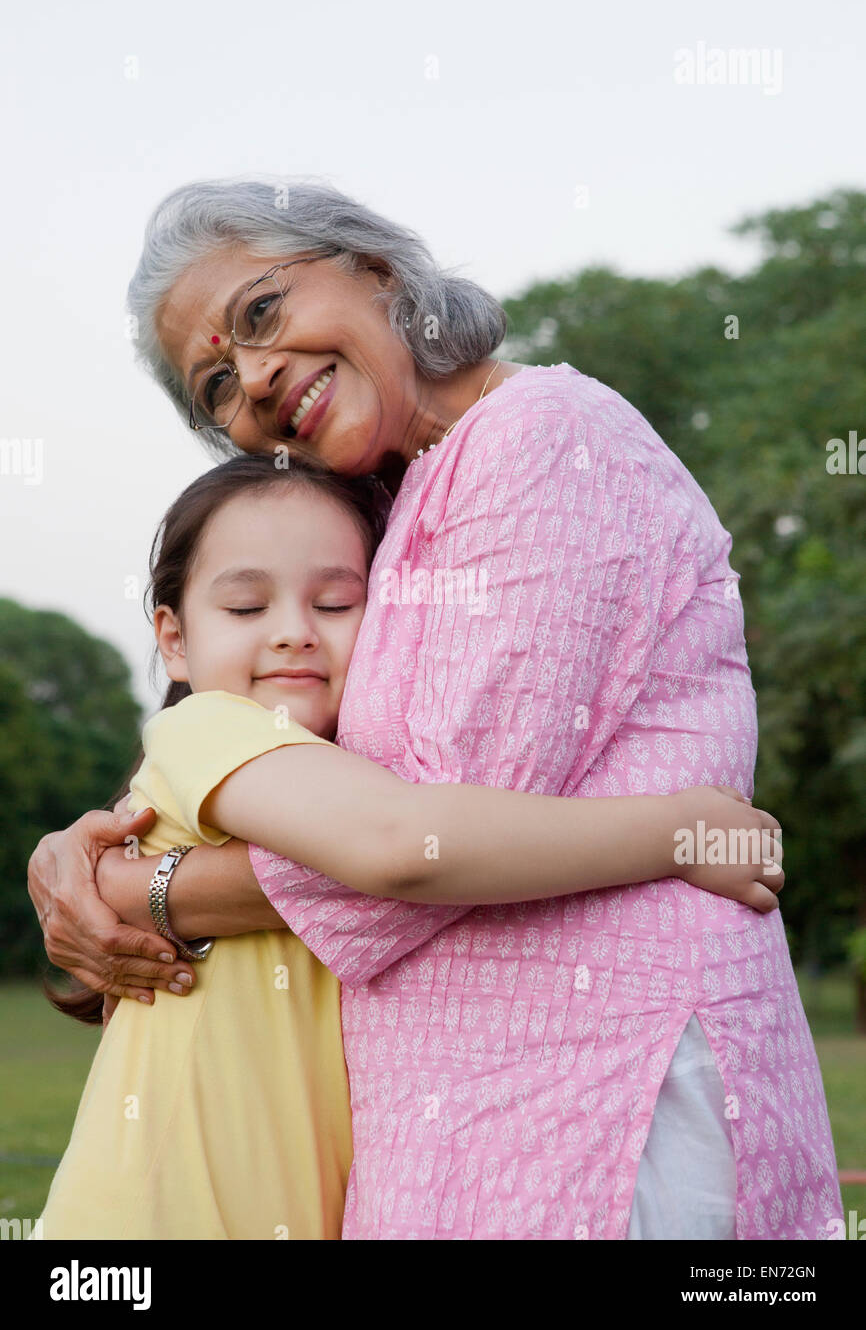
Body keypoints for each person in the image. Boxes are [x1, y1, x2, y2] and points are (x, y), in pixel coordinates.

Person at [29, 179, 843, 1239]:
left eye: (263, 313)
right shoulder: (406, 508)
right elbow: (324, 797)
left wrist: (139, 892)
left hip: (604, 1091)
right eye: (217, 381)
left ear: (372, 270)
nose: (258, 376)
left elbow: (416, 846)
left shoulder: (541, 438)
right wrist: (86, 863)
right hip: (471, 1118)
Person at [39, 453, 776, 1239]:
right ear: (174, 640)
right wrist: (673, 835)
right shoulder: (206, 728)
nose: (293, 633)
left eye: (335, 602)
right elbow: (401, 847)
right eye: (247, 607)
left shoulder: (355, 772)